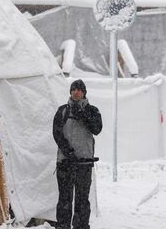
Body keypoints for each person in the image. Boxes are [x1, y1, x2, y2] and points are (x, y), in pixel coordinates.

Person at [52, 79, 102, 229]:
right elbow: (57, 133)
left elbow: (97, 129)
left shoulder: (92, 110)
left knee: (82, 199)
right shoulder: (62, 111)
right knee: (65, 199)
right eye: (73, 89)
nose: (76, 92)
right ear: (70, 92)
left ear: (84, 92)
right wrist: (68, 152)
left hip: (84, 164)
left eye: (79, 90)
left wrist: (83, 115)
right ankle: (62, 226)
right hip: (65, 163)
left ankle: (81, 226)